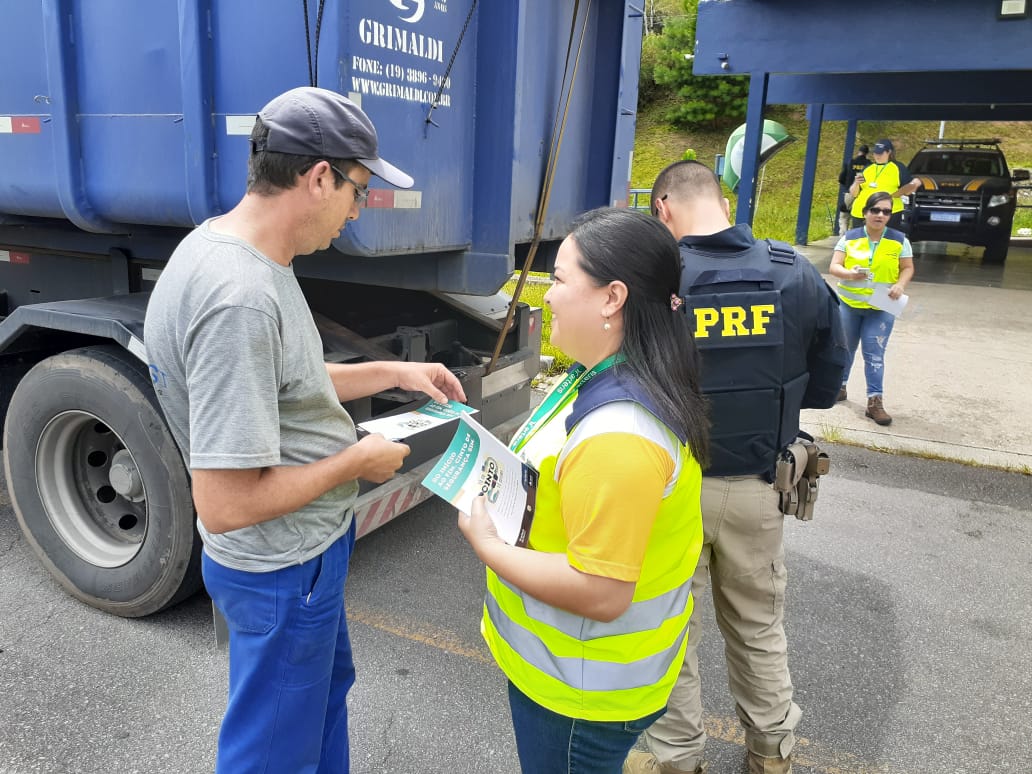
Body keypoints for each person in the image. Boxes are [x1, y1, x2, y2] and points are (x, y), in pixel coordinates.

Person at [143, 86, 466, 774]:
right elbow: (225, 506)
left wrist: (393, 374)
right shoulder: (241, 299)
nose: (357, 210)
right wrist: (356, 462)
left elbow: (286, 383)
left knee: (318, 704)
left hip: (303, 559)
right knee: (272, 753)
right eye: (358, 191)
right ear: (319, 177)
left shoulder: (231, 249)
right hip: (283, 569)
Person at [458, 207, 709, 774]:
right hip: (577, 670)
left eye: (561, 279)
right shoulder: (608, 372)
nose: (546, 296)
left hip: (581, 689)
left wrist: (489, 548)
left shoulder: (619, 433)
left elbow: (601, 592)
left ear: (611, 298)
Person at [626, 161, 848, 774]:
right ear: (722, 201)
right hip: (759, 488)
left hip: (671, 490)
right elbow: (828, 378)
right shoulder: (794, 273)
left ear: (663, 207)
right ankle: (771, 754)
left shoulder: (653, 284)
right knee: (757, 628)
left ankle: (676, 759)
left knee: (669, 629)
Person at [828, 190, 915, 426]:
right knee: (844, 348)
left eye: (886, 211)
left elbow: (907, 267)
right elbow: (834, 266)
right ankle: (840, 386)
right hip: (850, 304)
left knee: (874, 353)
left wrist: (900, 284)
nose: (880, 215)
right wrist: (849, 274)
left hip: (881, 306)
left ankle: (874, 401)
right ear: (865, 212)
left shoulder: (899, 240)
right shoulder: (850, 237)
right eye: (875, 210)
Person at [847, 139, 920, 232]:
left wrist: (914, 185)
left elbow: (908, 190)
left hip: (887, 214)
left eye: (880, 153)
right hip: (860, 213)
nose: (877, 156)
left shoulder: (898, 168)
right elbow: (853, 193)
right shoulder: (868, 168)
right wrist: (856, 183)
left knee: (884, 242)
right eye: (875, 153)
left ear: (889, 152)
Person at [837, 144, 869, 233]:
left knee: (844, 216)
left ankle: (843, 236)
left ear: (859, 152)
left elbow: (841, 178)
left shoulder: (850, 162)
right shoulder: (869, 165)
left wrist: (847, 186)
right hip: (863, 195)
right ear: (867, 154)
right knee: (860, 216)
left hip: (850, 193)